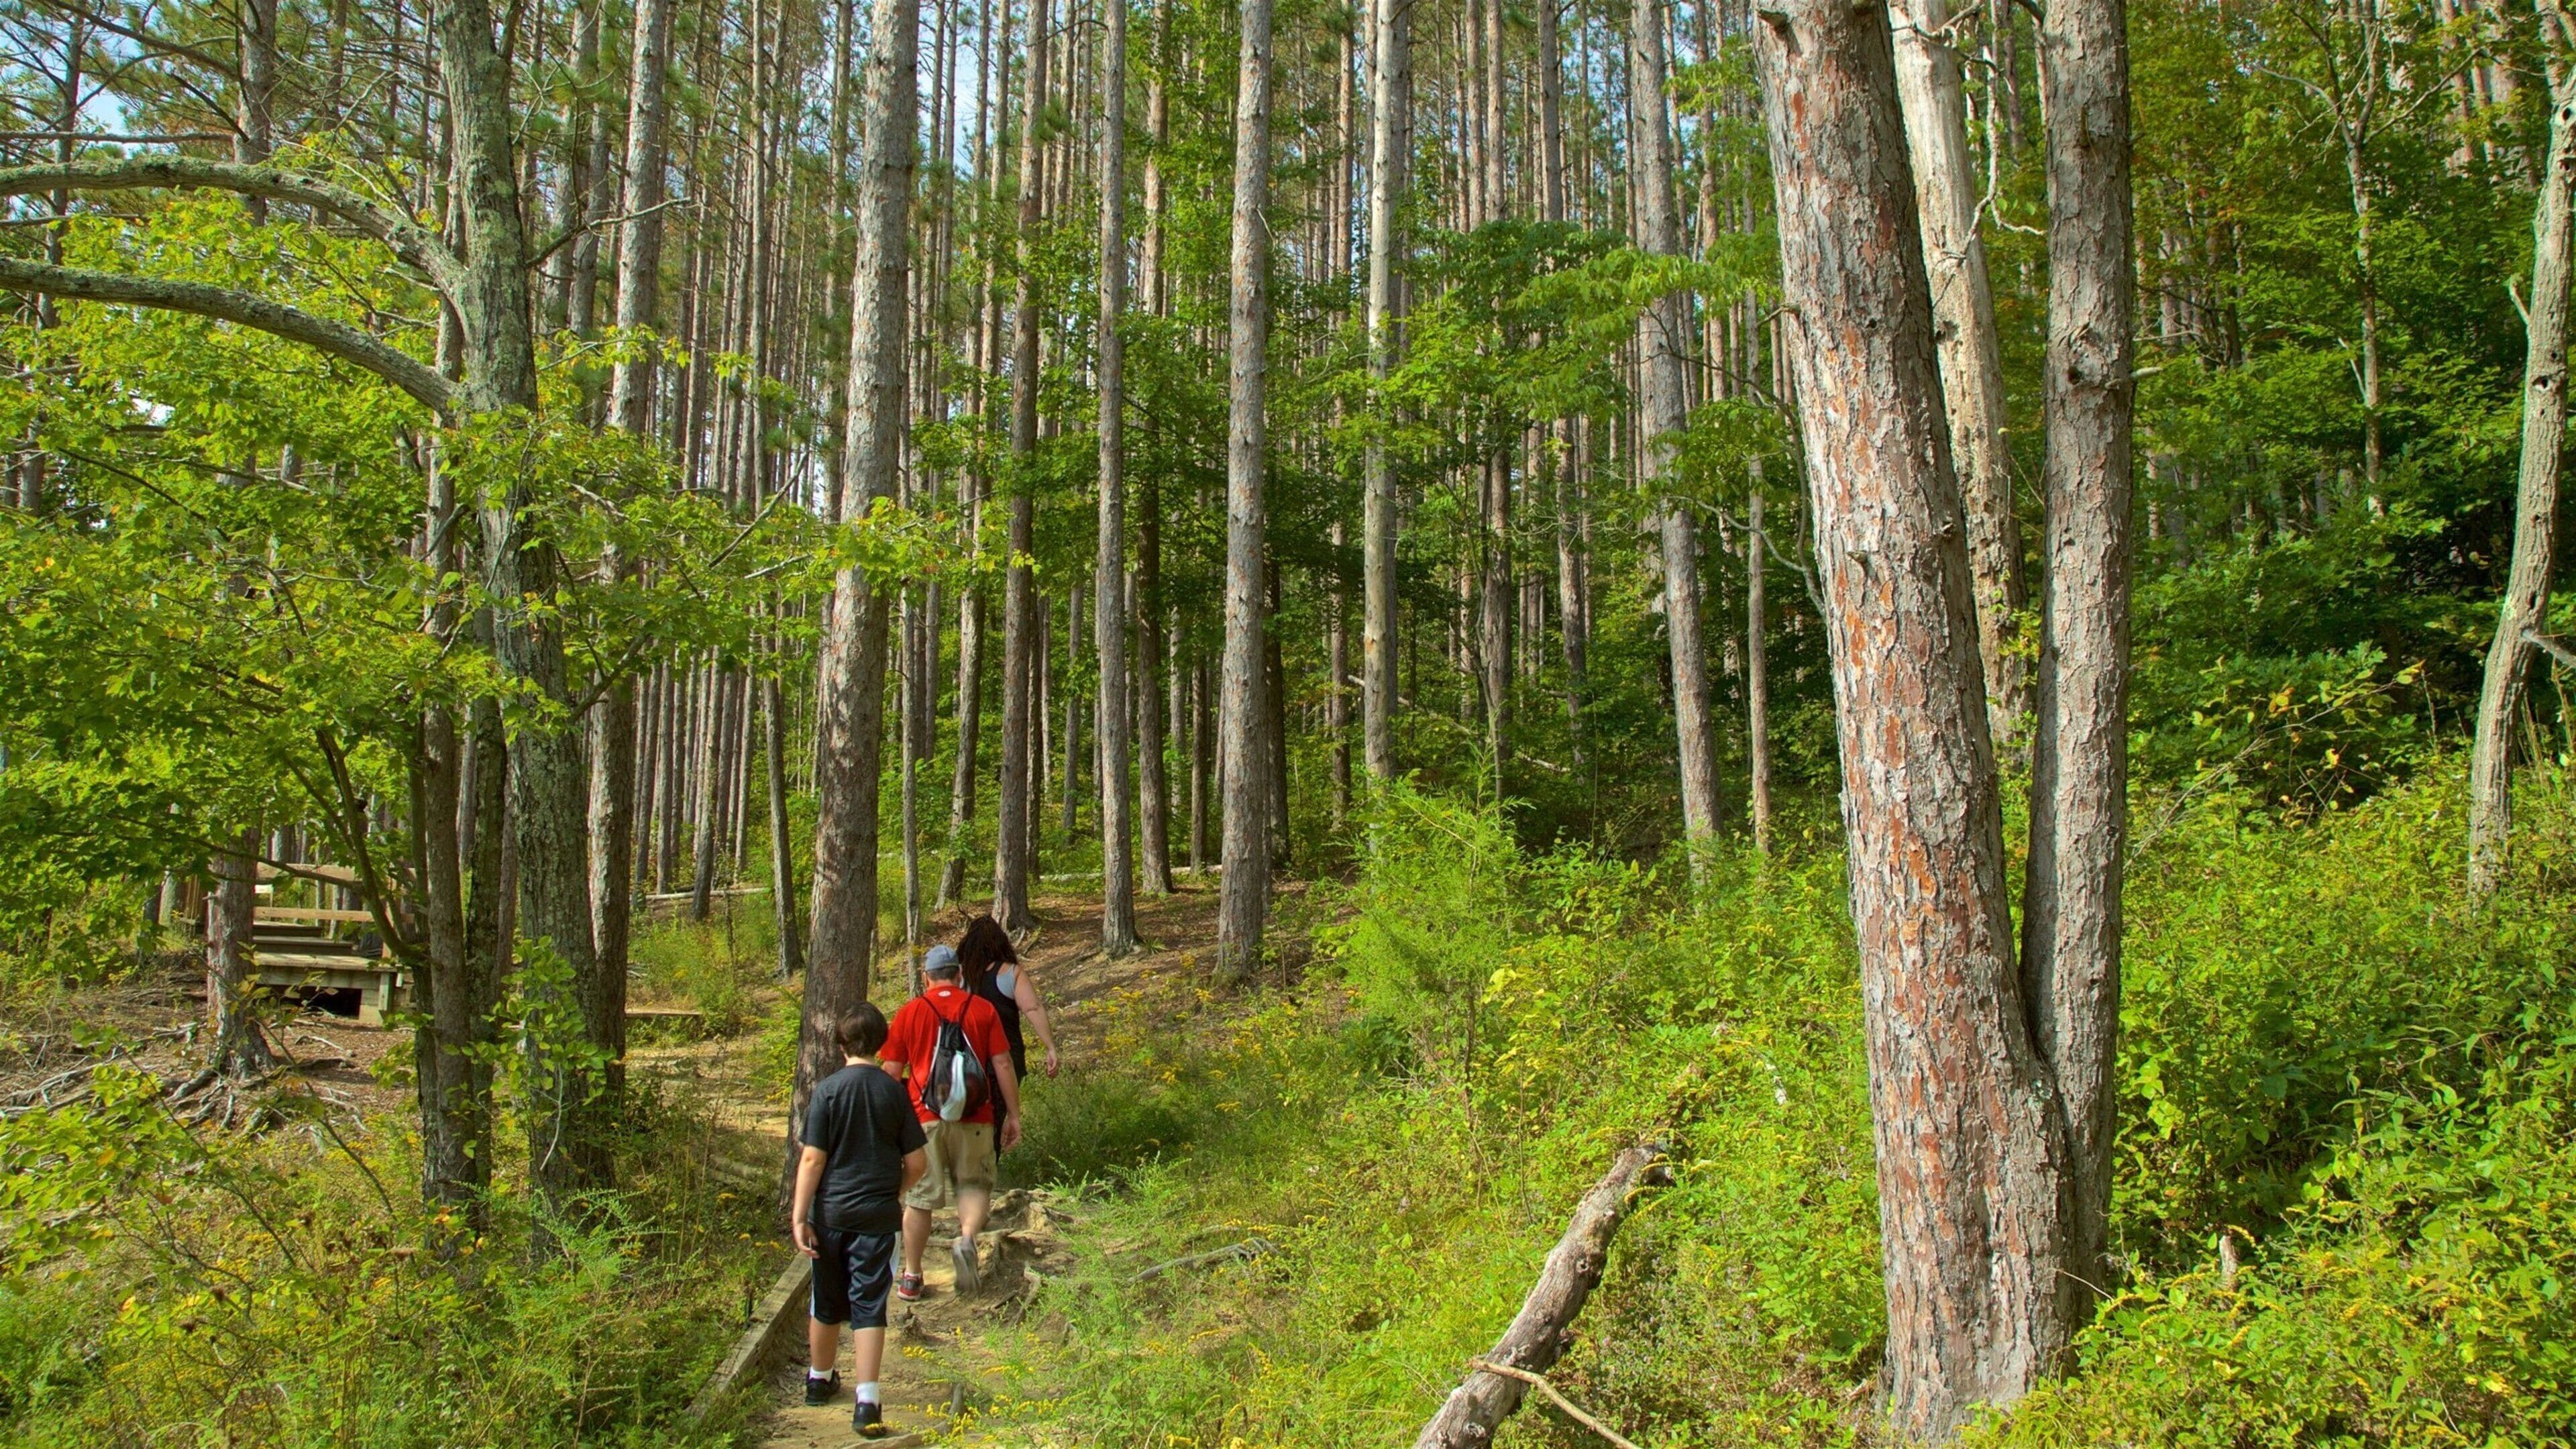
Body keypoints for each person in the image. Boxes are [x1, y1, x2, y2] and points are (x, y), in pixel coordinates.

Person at [791, 1004, 926, 1440]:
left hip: (829, 1214)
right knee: (870, 1305)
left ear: (840, 1043)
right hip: (876, 1217)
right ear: (884, 1042)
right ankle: (867, 1401)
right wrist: (896, 1192)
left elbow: (813, 1158)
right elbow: (918, 1162)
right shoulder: (893, 1092)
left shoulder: (828, 1091)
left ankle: (819, 1378)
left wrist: (800, 1214)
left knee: (826, 1299)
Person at [880, 943, 1021, 1301]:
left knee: (920, 1199)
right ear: (959, 975)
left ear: (925, 977)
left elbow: (891, 1072)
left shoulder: (910, 1012)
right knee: (973, 1186)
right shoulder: (983, 1009)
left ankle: (912, 1275)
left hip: (923, 1117)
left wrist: (888, 1122)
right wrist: (1014, 1115)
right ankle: (967, 1240)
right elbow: (1003, 1064)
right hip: (977, 1116)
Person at [956, 914, 1063, 1080]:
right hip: (1008, 1058)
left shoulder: (958, 976)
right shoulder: (1011, 973)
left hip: (968, 1060)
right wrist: (1050, 1048)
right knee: (1004, 1106)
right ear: (1001, 943)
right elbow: (1033, 1008)